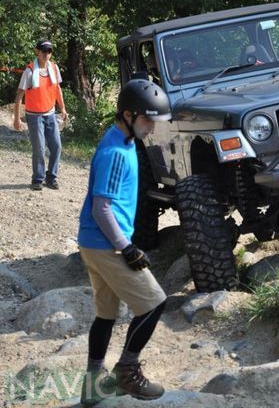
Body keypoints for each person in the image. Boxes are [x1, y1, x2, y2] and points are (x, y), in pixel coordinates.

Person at [78, 78, 171, 406]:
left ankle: (92, 384)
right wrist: (126, 247)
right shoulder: (116, 151)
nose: (151, 127)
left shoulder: (124, 140)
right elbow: (101, 208)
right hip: (106, 244)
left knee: (106, 315)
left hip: (93, 242)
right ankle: (127, 372)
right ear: (129, 115)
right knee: (155, 302)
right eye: (147, 120)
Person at [14, 39, 68, 191]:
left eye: (49, 51)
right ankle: (37, 179)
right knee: (39, 149)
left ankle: (51, 177)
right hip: (34, 116)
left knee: (56, 146)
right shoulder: (29, 71)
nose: (46, 54)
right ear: (37, 51)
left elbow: (57, 89)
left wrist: (63, 108)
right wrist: (17, 118)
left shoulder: (54, 68)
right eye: (43, 51)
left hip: (50, 114)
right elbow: (19, 97)